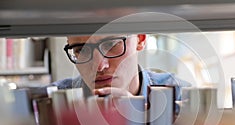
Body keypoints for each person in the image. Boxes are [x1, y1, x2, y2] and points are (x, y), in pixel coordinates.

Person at [50, 34, 190, 100]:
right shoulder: (52, 101)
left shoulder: (180, 96)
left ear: (140, 39)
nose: (100, 66)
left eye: (111, 44)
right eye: (81, 50)